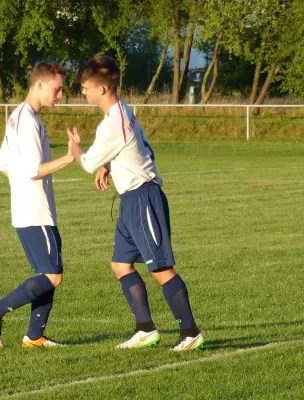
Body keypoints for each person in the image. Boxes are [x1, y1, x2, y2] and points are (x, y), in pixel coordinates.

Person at [66, 55, 204, 351]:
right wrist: (110, 165)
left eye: (86, 87)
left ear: (102, 88)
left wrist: (76, 149)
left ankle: (190, 333)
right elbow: (131, 149)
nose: (83, 92)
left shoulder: (113, 122)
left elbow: (88, 163)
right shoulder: (120, 112)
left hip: (143, 199)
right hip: (130, 201)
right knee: (120, 264)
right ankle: (145, 329)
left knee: (160, 268)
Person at [0, 61, 73, 348]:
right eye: (57, 90)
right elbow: (34, 170)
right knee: (53, 277)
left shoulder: (19, 116)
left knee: (47, 273)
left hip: (28, 209)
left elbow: (5, 166)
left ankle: (34, 337)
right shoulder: (28, 121)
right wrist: (71, 156)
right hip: (35, 211)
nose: (60, 96)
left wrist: (21, 188)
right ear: (40, 84)